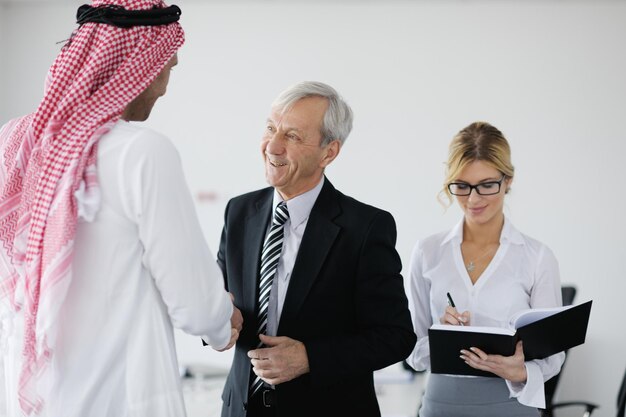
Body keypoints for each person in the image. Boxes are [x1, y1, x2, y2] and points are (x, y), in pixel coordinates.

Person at [0, 2, 242, 416]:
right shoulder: (141, 151)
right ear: (141, 66)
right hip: (121, 398)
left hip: (34, 398)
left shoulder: (17, 141)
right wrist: (223, 324)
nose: (165, 86)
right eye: (168, 68)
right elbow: (194, 302)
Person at [216, 81, 416, 417]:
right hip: (242, 408)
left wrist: (310, 357)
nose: (272, 147)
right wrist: (218, 320)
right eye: (270, 129)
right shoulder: (239, 212)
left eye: (292, 136)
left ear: (329, 152)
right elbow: (220, 297)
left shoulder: (365, 227)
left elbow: (395, 337)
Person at [406, 121, 565, 417]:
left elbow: (553, 358)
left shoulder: (536, 257)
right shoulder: (428, 252)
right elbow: (412, 350)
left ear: (508, 180)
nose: (473, 199)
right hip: (441, 405)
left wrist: (520, 371)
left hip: (510, 405)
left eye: (487, 185)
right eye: (462, 187)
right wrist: (442, 339)